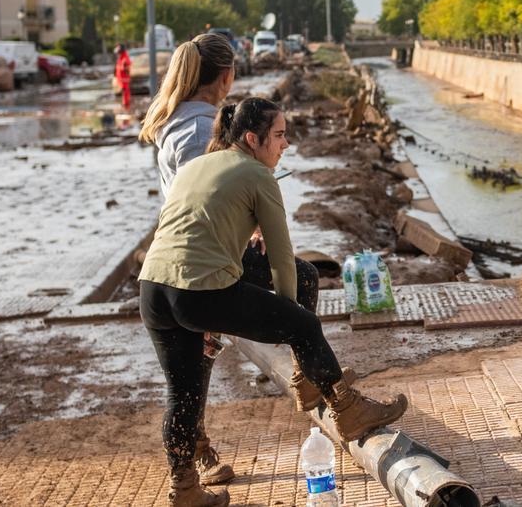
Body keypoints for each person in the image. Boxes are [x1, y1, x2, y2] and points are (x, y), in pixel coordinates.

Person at [140, 97, 408, 506]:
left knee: (183, 394)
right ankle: (347, 408)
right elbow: (282, 260)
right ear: (253, 138)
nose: (286, 144)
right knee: (305, 324)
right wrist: (291, 322)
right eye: (280, 135)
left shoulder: (196, 166)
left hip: (153, 289)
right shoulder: (258, 174)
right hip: (199, 289)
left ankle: (184, 488)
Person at [138, 33, 322, 488]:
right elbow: (206, 200)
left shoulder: (174, 119)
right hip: (206, 258)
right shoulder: (202, 128)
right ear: (226, 75)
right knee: (301, 279)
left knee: (187, 372)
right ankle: (308, 376)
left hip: (168, 264)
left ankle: (192, 463)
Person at [115, 44, 132, 110]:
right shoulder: (121, 57)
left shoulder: (125, 58)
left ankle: (126, 107)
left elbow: (126, 68)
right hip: (122, 79)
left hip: (124, 80)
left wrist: (123, 68)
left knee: (125, 93)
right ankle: (125, 105)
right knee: (124, 93)